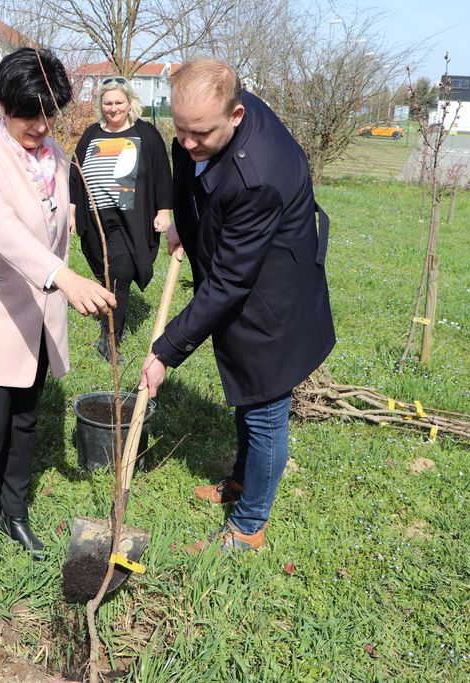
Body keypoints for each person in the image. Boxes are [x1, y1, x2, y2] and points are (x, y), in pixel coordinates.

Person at [139, 58, 335, 552]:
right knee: (246, 398)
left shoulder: (259, 176)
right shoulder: (205, 125)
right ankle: (243, 480)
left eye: (199, 133)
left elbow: (229, 281)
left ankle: (249, 527)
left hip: (275, 298)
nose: (186, 142)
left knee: (264, 404)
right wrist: (183, 222)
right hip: (244, 273)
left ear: (237, 116)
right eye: (179, 130)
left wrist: (165, 350)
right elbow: (188, 173)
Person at [0, 48, 116, 573]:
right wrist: (62, 277)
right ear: (3, 104)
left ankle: (15, 514)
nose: (40, 126)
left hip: (40, 319)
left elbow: (63, 224)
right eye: (28, 114)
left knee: (27, 424)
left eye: (49, 113)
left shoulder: (59, 159)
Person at [70, 77, 172, 364]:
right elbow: (74, 173)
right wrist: (71, 209)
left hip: (131, 221)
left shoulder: (146, 133)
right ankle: (111, 317)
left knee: (121, 274)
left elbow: (163, 172)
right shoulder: (91, 133)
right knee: (108, 274)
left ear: (129, 103)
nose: (114, 108)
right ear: (101, 106)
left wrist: (163, 210)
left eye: (119, 102)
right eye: (108, 103)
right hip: (96, 220)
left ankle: (110, 339)